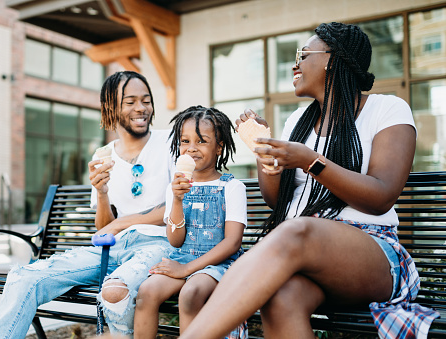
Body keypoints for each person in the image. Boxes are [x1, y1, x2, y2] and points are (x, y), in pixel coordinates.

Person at [180, 22, 440, 339]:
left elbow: (381, 196)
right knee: (279, 300)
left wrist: (310, 161)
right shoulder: (296, 123)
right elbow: (277, 201)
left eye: (303, 54)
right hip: (300, 253)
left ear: (332, 59)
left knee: (297, 228)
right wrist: (267, 160)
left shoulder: (387, 109)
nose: (295, 63)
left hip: (373, 254)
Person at [0, 71, 174, 338]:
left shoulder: (171, 143)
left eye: (146, 100)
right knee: (22, 278)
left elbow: (181, 206)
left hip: (158, 245)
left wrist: (123, 222)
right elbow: (104, 229)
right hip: (110, 250)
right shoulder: (102, 155)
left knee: (116, 293)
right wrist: (101, 192)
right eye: (130, 101)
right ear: (110, 108)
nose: (141, 108)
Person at [133, 106, 248, 338]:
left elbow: (233, 243)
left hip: (219, 264)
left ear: (219, 147)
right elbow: (175, 241)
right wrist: (176, 200)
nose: (191, 148)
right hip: (183, 257)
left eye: (202, 141)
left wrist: (187, 269)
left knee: (190, 293)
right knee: (146, 292)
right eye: (185, 141)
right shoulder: (174, 187)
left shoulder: (232, 187)